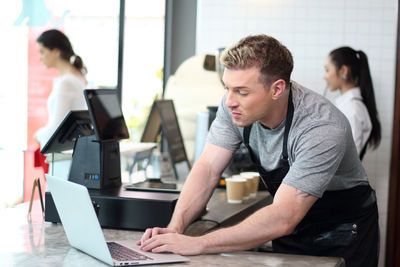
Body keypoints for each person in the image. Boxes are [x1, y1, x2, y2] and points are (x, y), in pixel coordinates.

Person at [137, 35, 379, 267]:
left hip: (342, 233)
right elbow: (208, 166)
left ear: (276, 89)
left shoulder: (321, 126)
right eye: (227, 88)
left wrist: (197, 244)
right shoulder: (233, 106)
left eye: (242, 91)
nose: (230, 100)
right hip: (292, 228)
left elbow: (284, 216)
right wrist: (175, 228)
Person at [324, 47, 381, 160]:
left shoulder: (352, 109)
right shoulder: (346, 105)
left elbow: (348, 159)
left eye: (327, 70)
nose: (324, 76)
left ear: (343, 71)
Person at [34, 29, 88, 148]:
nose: (40, 58)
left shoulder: (66, 82)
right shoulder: (78, 76)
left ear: (56, 52)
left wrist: (37, 135)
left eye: (42, 52)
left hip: (63, 156)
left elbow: (57, 129)